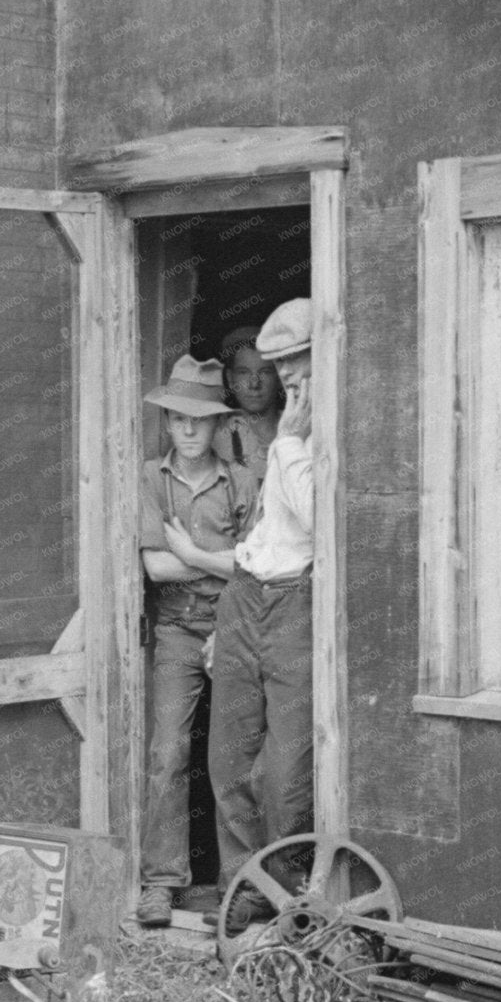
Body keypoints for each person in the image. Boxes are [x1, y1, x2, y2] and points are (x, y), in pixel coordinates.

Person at [134, 356, 259, 928]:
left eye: (199, 420)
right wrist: (217, 562)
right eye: (177, 419)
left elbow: (254, 566)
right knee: (169, 752)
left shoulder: (242, 481)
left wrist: (189, 552)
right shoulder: (150, 478)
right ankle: (162, 882)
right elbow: (156, 569)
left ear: (218, 424)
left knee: (236, 755)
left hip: (235, 625)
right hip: (178, 627)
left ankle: (241, 886)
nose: (187, 430)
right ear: (167, 422)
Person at [207, 299, 318, 933]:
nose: (287, 377)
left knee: (284, 769)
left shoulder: (319, 427)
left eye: (297, 362)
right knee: (230, 757)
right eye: (281, 366)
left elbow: (318, 517)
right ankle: (242, 889)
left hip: (296, 600)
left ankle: (286, 895)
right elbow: (267, 524)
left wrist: (291, 443)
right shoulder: (289, 425)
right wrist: (226, 619)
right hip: (245, 594)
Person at [213, 324, 283, 484]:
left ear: (280, 377)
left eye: (265, 372)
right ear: (230, 379)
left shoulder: (299, 429)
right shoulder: (216, 437)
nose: (254, 384)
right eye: (243, 372)